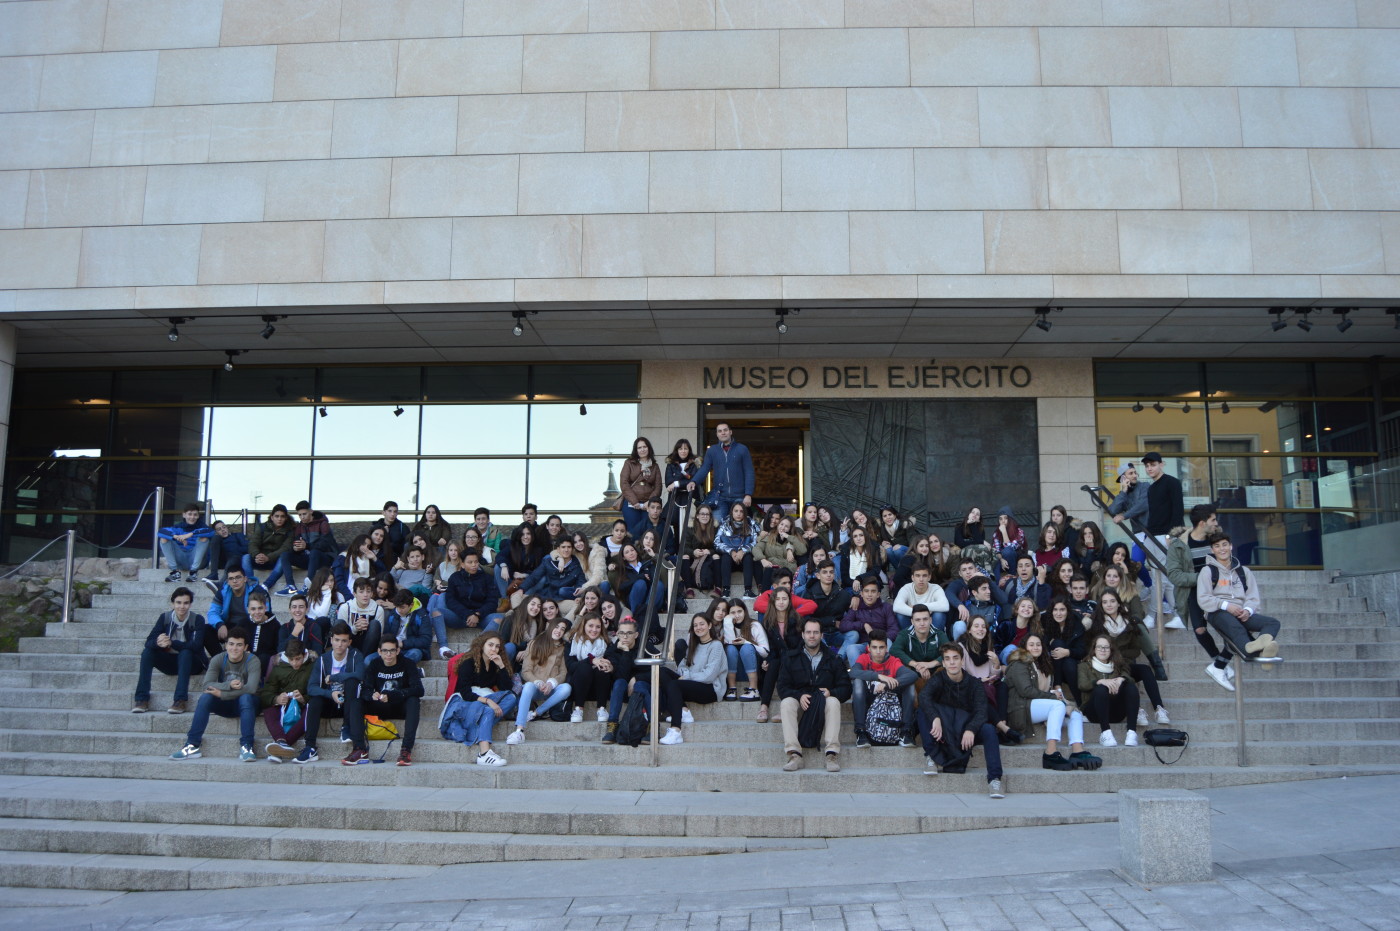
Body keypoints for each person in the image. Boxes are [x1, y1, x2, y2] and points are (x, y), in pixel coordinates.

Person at [1005, 633, 1103, 772]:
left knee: (1075, 712)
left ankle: (1078, 751)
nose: (1035, 647)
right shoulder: (1019, 664)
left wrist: (1065, 704)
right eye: (1031, 644)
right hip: (1022, 707)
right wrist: (1060, 703)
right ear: (1024, 647)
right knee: (1058, 706)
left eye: (1038, 644)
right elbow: (1026, 691)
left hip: (1040, 707)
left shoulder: (1043, 665)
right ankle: (1050, 753)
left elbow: (1049, 692)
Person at [918, 641, 1005, 798]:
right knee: (922, 712)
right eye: (948, 659)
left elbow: (981, 711)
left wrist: (971, 729)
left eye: (955, 658)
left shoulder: (974, 683)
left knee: (989, 730)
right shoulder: (938, 679)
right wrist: (935, 717)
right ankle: (931, 755)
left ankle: (994, 779)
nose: (952, 662)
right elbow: (924, 697)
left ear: (962, 661)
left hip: (965, 728)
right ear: (943, 663)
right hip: (944, 728)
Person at [1167, 504, 1236, 691]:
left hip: (1219, 590)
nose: (1216, 523)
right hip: (1193, 590)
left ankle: (1219, 665)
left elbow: (1231, 565)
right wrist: (1202, 578)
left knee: (1233, 628)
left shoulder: (1217, 540)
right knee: (1199, 629)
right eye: (1213, 520)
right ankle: (1219, 663)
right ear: (1202, 523)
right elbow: (1174, 574)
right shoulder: (1180, 544)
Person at [170, 627, 261, 762]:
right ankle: (192, 744)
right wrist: (228, 685)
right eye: (231, 644)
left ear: (246, 647)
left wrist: (222, 694)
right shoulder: (218, 659)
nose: (234, 648)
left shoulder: (252, 660)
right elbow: (207, 685)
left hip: (249, 706)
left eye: (239, 645)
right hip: (226, 705)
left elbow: (251, 689)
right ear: (225, 645)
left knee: (246, 698)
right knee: (206, 697)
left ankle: (247, 746)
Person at [775, 618, 853, 772]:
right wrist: (798, 696)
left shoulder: (833, 658)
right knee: (786, 703)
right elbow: (782, 687)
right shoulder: (791, 657)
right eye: (809, 632)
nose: (812, 636)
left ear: (821, 635)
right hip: (800, 701)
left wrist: (831, 692)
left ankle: (831, 754)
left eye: (815, 632)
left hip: (822, 702)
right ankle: (794, 755)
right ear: (803, 635)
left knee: (833, 702)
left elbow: (846, 688)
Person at [1085, 591, 1171, 728]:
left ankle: (1159, 708)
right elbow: (1093, 650)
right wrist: (1114, 656)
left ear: (1119, 603)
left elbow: (1136, 649)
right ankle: (1137, 710)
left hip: (1126, 664)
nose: (1109, 605)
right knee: (1124, 678)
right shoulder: (1096, 625)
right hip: (1107, 667)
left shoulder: (1129, 622)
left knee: (1145, 669)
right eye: (1105, 602)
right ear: (1101, 605)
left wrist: (1119, 655)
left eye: (1112, 601)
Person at [1197, 532, 1283, 666]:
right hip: (1217, 612)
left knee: (1273, 623)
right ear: (1212, 550)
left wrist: (1248, 610)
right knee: (1235, 627)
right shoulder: (1207, 571)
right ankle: (1253, 649)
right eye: (1217, 546)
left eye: (1225, 545)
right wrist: (1226, 605)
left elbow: (1253, 597)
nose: (1222, 549)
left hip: (1241, 613)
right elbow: (1203, 598)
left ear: (1231, 546)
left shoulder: (1244, 571)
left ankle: (1261, 651)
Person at [345, 635, 422, 766]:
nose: (389, 654)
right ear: (379, 651)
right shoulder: (374, 664)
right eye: (385, 651)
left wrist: (394, 695)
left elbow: (419, 690)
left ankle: (406, 750)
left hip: (399, 706)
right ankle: (359, 749)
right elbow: (365, 690)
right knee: (356, 702)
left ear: (398, 651)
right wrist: (371, 695)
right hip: (379, 706)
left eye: (392, 650)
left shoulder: (408, 664)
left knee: (414, 701)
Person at [294, 622, 363, 764]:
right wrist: (330, 694)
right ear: (331, 640)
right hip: (331, 702)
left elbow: (361, 675)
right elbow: (311, 687)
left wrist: (335, 677)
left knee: (352, 682)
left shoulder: (355, 655)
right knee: (314, 700)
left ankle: (347, 727)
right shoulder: (323, 659)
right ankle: (310, 747)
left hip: (349, 705)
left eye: (344, 641)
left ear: (349, 642)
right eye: (337, 640)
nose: (340, 644)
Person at [132, 586, 206, 715]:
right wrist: (159, 642)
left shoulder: (197, 619)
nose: (182, 606)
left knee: (186, 652)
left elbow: (197, 646)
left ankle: (180, 700)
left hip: (193, 663)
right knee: (147, 653)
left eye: (186, 603)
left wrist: (173, 643)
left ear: (190, 604)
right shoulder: (165, 618)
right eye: (178, 602)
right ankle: (141, 699)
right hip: (171, 663)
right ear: (172, 603)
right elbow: (148, 642)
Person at [655, 613, 727, 746]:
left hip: (710, 688)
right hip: (693, 682)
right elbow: (682, 664)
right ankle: (684, 709)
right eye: (695, 625)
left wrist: (687, 676)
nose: (698, 627)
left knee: (674, 685)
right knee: (661, 671)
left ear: (709, 625)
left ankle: (676, 730)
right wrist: (686, 673)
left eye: (702, 624)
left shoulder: (716, 646)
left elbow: (709, 675)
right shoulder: (694, 645)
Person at [447, 632, 516, 766]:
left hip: (483, 704)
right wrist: (488, 701)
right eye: (490, 645)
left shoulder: (494, 665)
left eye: (497, 647)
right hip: (467, 705)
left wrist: (501, 666)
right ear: (481, 645)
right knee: (489, 711)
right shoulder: (468, 662)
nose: (493, 649)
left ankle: (478, 728)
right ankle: (484, 753)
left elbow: (506, 689)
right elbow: (465, 693)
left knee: (511, 698)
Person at [503, 617, 573, 744]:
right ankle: (519, 731)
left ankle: (537, 712)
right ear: (550, 627)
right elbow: (526, 671)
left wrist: (552, 683)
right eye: (556, 627)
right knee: (529, 686)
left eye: (562, 629)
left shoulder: (563, 648)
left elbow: (563, 672)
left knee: (567, 688)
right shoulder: (535, 643)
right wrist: (538, 682)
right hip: (535, 687)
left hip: (551, 688)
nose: (558, 631)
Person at [850, 630, 918, 748]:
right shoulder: (864, 658)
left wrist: (886, 685)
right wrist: (878, 677)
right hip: (870, 700)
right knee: (857, 682)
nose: (878, 651)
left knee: (910, 685)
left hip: (890, 703)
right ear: (868, 648)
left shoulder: (893, 660)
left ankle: (905, 732)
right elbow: (853, 673)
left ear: (886, 648)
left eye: (881, 647)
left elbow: (912, 675)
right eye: (874, 647)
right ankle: (861, 731)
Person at [1142, 451, 1186, 628]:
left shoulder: (1172, 482)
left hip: (1165, 536)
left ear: (1162, 464)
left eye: (1152, 464)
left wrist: (1172, 536)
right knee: (1157, 578)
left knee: (1163, 578)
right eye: (1147, 465)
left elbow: (1178, 510)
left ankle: (1154, 616)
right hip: (1151, 536)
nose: (1149, 468)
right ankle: (1176, 615)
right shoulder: (1151, 488)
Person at [1079, 635, 1142, 748]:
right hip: (1094, 712)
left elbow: (1129, 677)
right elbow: (1082, 685)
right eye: (1099, 647)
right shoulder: (1084, 666)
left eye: (1106, 647)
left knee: (1130, 686)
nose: (1103, 650)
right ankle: (1105, 733)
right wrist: (1100, 681)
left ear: (1111, 650)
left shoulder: (1118, 665)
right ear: (1094, 649)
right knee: (1101, 689)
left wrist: (1121, 679)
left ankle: (1132, 732)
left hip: (1116, 713)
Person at [430, 550, 494, 659]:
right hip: (459, 616)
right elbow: (450, 600)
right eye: (470, 562)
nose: (474, 565)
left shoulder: (486, 578)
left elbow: (492, 601)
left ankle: (475, 647)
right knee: (436, 611)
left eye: (476, 562)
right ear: (463, 564)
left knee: (499, 618)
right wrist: (468, 614)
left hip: (481, 617)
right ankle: (444, 648)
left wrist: (477, 614)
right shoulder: (455, 578)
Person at [687, 422, 755, 520]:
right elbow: (705, 468)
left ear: (730, 432)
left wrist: (748, 494)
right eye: (720, 431)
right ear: (717, 434)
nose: (723, 433)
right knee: (717, 526)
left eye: (725, 430)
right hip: (720, 497)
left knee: (738, 527)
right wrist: (694, 481)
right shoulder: (712, 451)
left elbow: (749, 472)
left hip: (739, 497)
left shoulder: (742, 449)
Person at [258, 637, 312, 762]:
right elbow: (266, 693)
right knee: (268, 708)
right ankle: (281, 741)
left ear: (304, 655)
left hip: (304, 705)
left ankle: (282, 745)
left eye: (298, 659)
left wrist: (303, 699)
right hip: (284, 704)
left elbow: (316, 691)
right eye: (291, 659)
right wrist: (276, 699)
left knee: (312, 709)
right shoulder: (278, 667)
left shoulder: (312, 666)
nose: (294, 663)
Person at [756, 588, 802, 723]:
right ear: (773, 602)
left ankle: (785, 708)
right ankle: (764, 707)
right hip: (779, 658)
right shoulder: (768, 622)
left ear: (789, 601)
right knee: (773, 664)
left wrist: (785, 657)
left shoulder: (797, 620)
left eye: (784, 599)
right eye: (777, 599)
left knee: (783, 663)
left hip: (795, 658)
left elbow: (799, 646)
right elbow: (771, 647)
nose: (781, 602)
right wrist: (767, 660)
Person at [273, 501, 337, 597]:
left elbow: (325, 544)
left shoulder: (323, 524)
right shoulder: (299, 526)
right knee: (285, 555)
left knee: (314, 552)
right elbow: (298, 543)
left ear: (311, 511)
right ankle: (291, 587)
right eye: (300, 515)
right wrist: (295, 548)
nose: (302, 517)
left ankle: (308, 586)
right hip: (308, 559)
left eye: (304, 514)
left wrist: (307, 546)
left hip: (324, 558)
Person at [838, 577, 899, 667]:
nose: (869, 594)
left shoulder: (886, 607)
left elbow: (894, 629)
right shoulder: (856, 607)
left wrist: (879, 639)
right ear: (861, 594)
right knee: (851, 648)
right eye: (866, 591)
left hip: (881, 644)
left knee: (888, 642)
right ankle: (859, 678)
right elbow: (843, 625)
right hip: (864, 645)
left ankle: (887, 672)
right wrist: (863, 625)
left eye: (873, 591)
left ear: (878, 594)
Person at [601, 620, 644, 743]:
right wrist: (626, 652)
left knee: (642, 684)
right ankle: (612, 725)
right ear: (617, 634)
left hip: (640, 689)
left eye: (629, 633)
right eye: (622, 633)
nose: (625, 636)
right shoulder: (612, 651)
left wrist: (636, 678)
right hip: (620, 691)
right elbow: (621, 676)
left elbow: (656, 669)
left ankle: (650, 726)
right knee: (619, 682)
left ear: (636, 634)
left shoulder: (644, 647)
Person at [564, 615, 613, 723]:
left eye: (598, 627)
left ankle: (601, 708)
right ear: (583, 626)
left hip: (599, 687)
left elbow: (612, 661)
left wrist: (610, 666)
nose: (594, 630)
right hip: (579, 686)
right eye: (590, 626)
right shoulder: (573, 642)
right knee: (584, 667)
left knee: (602, 667)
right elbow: (571, 667)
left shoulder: (606, 643)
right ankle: (578, 709)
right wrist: (591, 660)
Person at [521, 535, 586, 614]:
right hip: (548, 596)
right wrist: (522, 588)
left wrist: (579, 597)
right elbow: (534, 576)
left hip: (563, 600)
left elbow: (581, 582)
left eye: (569, 547)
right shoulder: (548, 562)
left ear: (572, 549)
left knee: (577, 605)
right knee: (517, 597)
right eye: (563, 547)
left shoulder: (576, 565)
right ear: (558, 549)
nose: (566, 550)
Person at [891, 603, 950, 690]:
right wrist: (916, 665)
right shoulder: (904, 634)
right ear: (912, 621)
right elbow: (894, 651)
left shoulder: (939, 634)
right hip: (913, 673)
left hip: (935, 673)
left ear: (930, 620)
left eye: (925, 619)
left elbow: (950, 651)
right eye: (918, 620)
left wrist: (929, 664)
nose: (922, 623)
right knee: (904, 670)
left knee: (946, 668)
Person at [721, 599, 769, 701]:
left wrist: (746, 642)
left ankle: (754, 689)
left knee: (746, 648)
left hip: (753, 669)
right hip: (733, 669)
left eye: (739, 611)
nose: (737, 615)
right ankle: (732, 688)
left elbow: (765, 652)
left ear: (745, 611)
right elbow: (730, 641)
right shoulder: (726, 626)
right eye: (733, 613)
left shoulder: (754, 625)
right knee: (730, 648)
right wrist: (728, 622)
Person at [242, 504, 295, 591]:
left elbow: (285, 548)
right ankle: (250, 584)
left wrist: (268, 557)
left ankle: (266, 585)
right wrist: (257, 555)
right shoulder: (262, 527)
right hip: (259, 559)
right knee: (245, 557)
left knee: (284, 558)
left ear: (286, 518)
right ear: (272, 517)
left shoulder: (290, 531)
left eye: (282, 516)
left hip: (274, 561)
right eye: (277, 516)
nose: (279, 519)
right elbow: (253, 543)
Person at [618, 436, 662, 539]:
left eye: (644, 447)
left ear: (648, 448)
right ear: (636, 450)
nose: (642, 449)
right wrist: (634, 502)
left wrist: (650, 502)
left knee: (648, 532)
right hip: (631, 504)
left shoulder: (654, 466)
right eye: (639, 447)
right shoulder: (629, 463)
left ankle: (647, 554)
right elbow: (624, 483)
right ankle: (631, 554)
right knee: (632, 533)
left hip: (647, 505)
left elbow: (658, 486)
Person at [714, 501, 760, 598]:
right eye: (736, 511)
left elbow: (756, 542)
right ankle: (726, 590)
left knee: (748, 557)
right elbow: (716, 542)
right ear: (732, 512)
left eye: (741, 511)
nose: (738, 514)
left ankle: (748, 590)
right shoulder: (724, 525)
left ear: (744, 513)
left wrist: (743, 551)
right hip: (730, 559)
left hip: (745, 560)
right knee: (725, 557)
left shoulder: (750, 525)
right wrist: (731, 552)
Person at [158, 503, 213, 583]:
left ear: (198, 516)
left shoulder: (202, 527)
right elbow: (160, 532)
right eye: (189, 514)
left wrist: (190, 534)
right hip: (180, 559)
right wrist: (175, 536)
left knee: (204, 537)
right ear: (184, 515)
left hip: (197, 561)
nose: (192, 517)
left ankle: (193, 573)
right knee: (164, 538)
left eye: (195, 515)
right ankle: (175, 573)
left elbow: (211, 532)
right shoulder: (177, 527)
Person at [753, 515, 807, 592]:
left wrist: (788, 537)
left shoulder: (792, 539)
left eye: (786, 526)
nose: (783, 528)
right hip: (772, 568)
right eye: (781, 524)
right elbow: (756, 548)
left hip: (788, 570)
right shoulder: (769, 537)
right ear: (778, 525)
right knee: (769, 570)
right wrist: (762, 559)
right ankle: (764, 595)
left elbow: (802, 550)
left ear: (790, 529)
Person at [336, 577, 386, 657]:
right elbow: (340, 633)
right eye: (361, 592)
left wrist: (367, 626)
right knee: (339, 623)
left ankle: (362, 659)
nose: (365, 595)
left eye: (368, 591)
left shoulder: (378, 609)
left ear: (372, 594)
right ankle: (347, 656)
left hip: (369, 644)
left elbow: (379, 635)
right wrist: (355, 628)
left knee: (375, 624)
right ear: (354, 594)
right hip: (350, 642)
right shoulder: (346, 607)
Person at [892, 565, 951, 631]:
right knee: (900, 615)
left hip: (929, 620)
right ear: (912, 578)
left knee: (939, 615)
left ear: (929, 577)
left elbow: (945, 606)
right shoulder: (906, 588)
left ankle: (935, 638)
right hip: (913, 620)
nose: (921, 579)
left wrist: (917, 607)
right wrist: (920, 613)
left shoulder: (936, 588)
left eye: (924, 576)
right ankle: (909, 638)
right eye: (917, 576)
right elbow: (896, 607)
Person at [384, 589, 433, 663]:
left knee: (415, 654)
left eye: (402, 607)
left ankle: (396, 668)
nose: (399, 610)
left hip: (412, 649)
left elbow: (426, 640)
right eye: (397, 607)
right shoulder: (392, 615)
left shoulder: (422, 615)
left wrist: (403, 644)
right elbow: (386, 635)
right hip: (393, 648)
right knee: (369, 660)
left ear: (411, 605)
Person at [277, 591, 326, 660]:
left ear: (307, 609)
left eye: (301, 607)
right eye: (294, 607)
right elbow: (280, 651)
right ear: (290, 610)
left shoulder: (313, 626)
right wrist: (294, 634)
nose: (297, 610)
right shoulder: (285, 628)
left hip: (308, 665)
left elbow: (318, 652)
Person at [683, 504, 719, 597]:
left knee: (716, 556)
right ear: (697, 516)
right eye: (702, 514)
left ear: (710, 516)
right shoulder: (690, 528)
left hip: (708, 558)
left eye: (707, 514)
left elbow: (719, 546)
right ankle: (689, 589)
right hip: (693, 558)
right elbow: (683, 547)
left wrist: (710, 551)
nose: (705, 516)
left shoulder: (715, 528)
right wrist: (693, 552)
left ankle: (718, 588)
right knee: (684, 556)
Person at [243, 590, 282, 675]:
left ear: (265, 608)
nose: (257, 612)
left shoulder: (275, 625)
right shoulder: (243, 623)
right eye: (253, 609)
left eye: (260, 608)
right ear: (248, 610)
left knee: (264, 658)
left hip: (265, 662)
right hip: (245, 658)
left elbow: (277, 648)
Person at [839, 526, 884, 593]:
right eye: (855, 536)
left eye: (861, 535)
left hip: (870, 582)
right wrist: (854, 583)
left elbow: (876, 570)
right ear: (852, 539)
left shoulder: (873, 549)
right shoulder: (846, 551)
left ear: (865, 536)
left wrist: (859, 579)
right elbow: (844, 575)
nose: (858, 538)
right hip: (851, 584)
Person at [371, 500, 409, 566]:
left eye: (395, 511)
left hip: (396, 559)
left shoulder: (402, 527)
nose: (392, 514)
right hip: (377, 557)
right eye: (390, 511)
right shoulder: (376, 526)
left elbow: (407, 545)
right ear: (383, 512)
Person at [990, 506, 1024, 576]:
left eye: (1006, 518)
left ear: (1010, 519)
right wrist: (1002, 560)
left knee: (1007, 551)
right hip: (1002, 560)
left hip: (1015, 560)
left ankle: (1012, 578)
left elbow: (1010, 548)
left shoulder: (1019, 532)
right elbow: (997, 551)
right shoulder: (996, 533)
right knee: (995, 562)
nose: (1003, 521)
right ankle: (997, 585)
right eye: (1000, 519)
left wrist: (1004, 532)